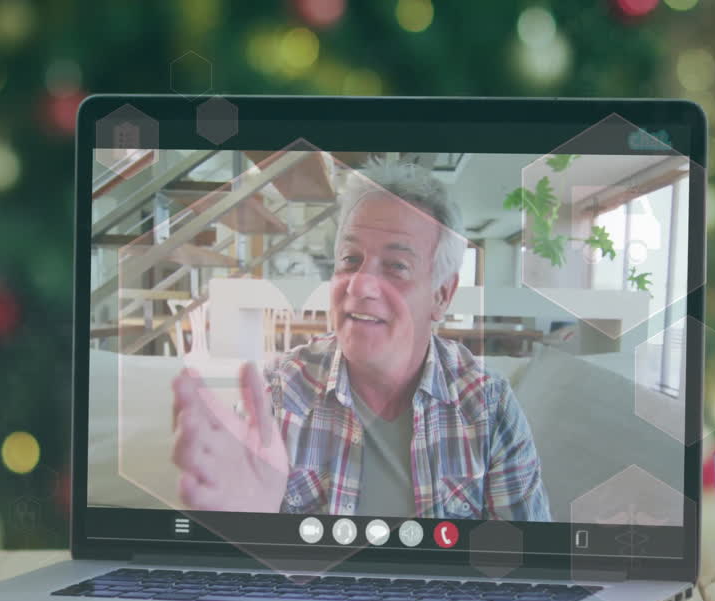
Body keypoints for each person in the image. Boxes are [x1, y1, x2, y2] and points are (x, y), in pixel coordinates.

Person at [171, 158, 550, 521]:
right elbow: (235, 538)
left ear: (441, 296)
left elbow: (523, 557)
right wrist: (246, 521)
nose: (360, 285)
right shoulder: (280, 391)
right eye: (350, 259)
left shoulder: (488, 406)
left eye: (396, 266)